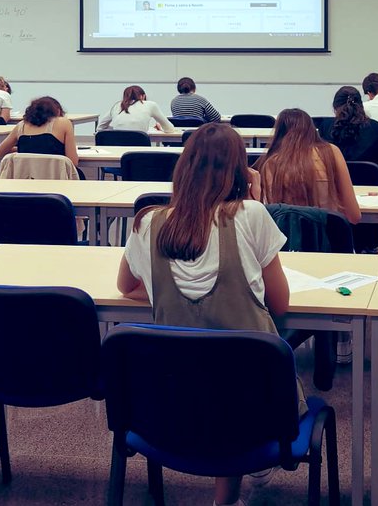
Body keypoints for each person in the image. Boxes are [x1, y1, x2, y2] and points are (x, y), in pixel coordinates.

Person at [115, 123, 291, 506]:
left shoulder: (149, 222)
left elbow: (126, 287)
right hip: (253, 404)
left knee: (207, 365)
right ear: (239, 172)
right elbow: (279, 303)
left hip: (171, 402)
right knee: (229, 366)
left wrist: (169, 284)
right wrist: (254, 198)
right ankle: (229, 490)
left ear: (183, 167)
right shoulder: (251, 215)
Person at [256, 108, 362, 224]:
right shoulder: (331, 152)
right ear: (311, 129)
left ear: (278, 133)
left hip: (288, 240)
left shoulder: (270, 165)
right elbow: (354, 216)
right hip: (328, 239)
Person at [316, 86, 378, 179]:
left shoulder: (325, 127)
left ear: (335, 106)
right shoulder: (375, 127)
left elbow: (319, 162)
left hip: (335, 189)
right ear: (361, 105)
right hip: (371, 187)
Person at [0, 96, 79, 167]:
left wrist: (26, 150)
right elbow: (73, 162)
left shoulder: (22, 125)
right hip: (56, 179)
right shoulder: (64, 122)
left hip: (26, 179)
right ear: (58, 111)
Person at [97, 85, 176, 134]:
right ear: (143, 96)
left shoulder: (117, 105)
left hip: (118, 147)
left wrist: (117, 129)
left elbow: (100, 128)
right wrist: (161, 128)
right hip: (140, 150)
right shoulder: (150, 105)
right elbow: (170, 129)